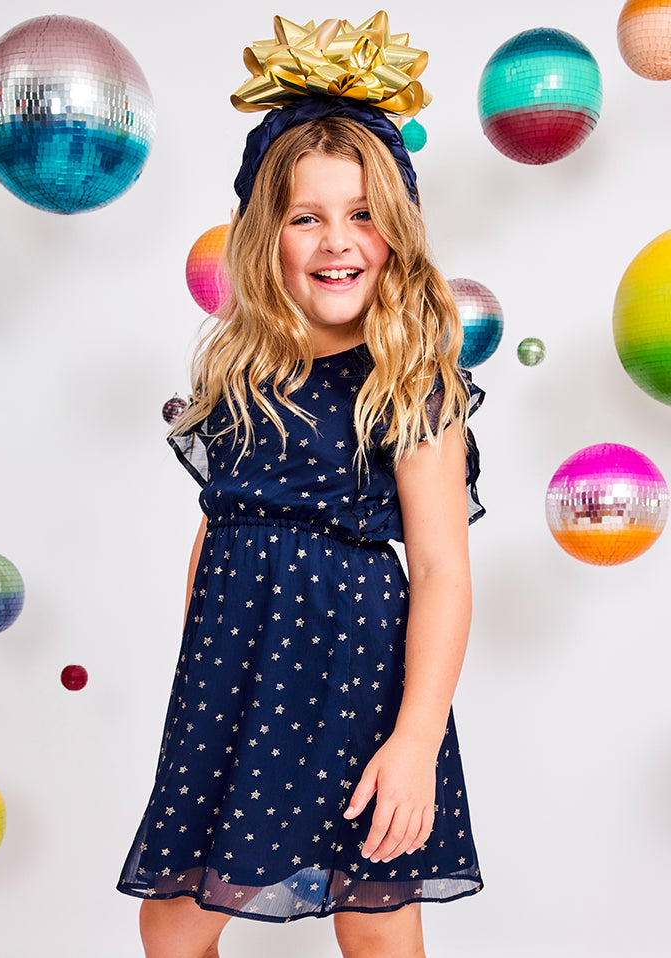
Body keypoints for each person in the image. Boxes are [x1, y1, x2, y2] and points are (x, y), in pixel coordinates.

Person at [118, 14, 485, 958]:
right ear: (266, 235)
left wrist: (416, 738)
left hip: (356, 687)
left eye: (362, 213)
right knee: (172, 924)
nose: (337, 240)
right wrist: (199, 689)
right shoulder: (239, 379)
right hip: (234, 687)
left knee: (376, 926)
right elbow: (219, 535)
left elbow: (441, 570)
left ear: (396, 231)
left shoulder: (410, 383)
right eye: (306, 216)